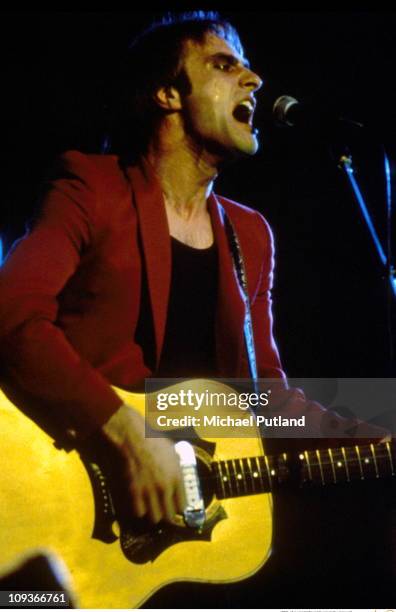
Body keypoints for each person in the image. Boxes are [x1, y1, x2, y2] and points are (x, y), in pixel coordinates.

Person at [0, 11, 392, 608]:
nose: (255, 80)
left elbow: (270, 403)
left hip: (167, 547)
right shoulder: (91, 188)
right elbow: (11, 315)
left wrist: (379, 436)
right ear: (167, 94)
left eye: (249, 65)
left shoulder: (250, 235)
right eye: (224, 63)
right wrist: (128, 436)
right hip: (61, 495)